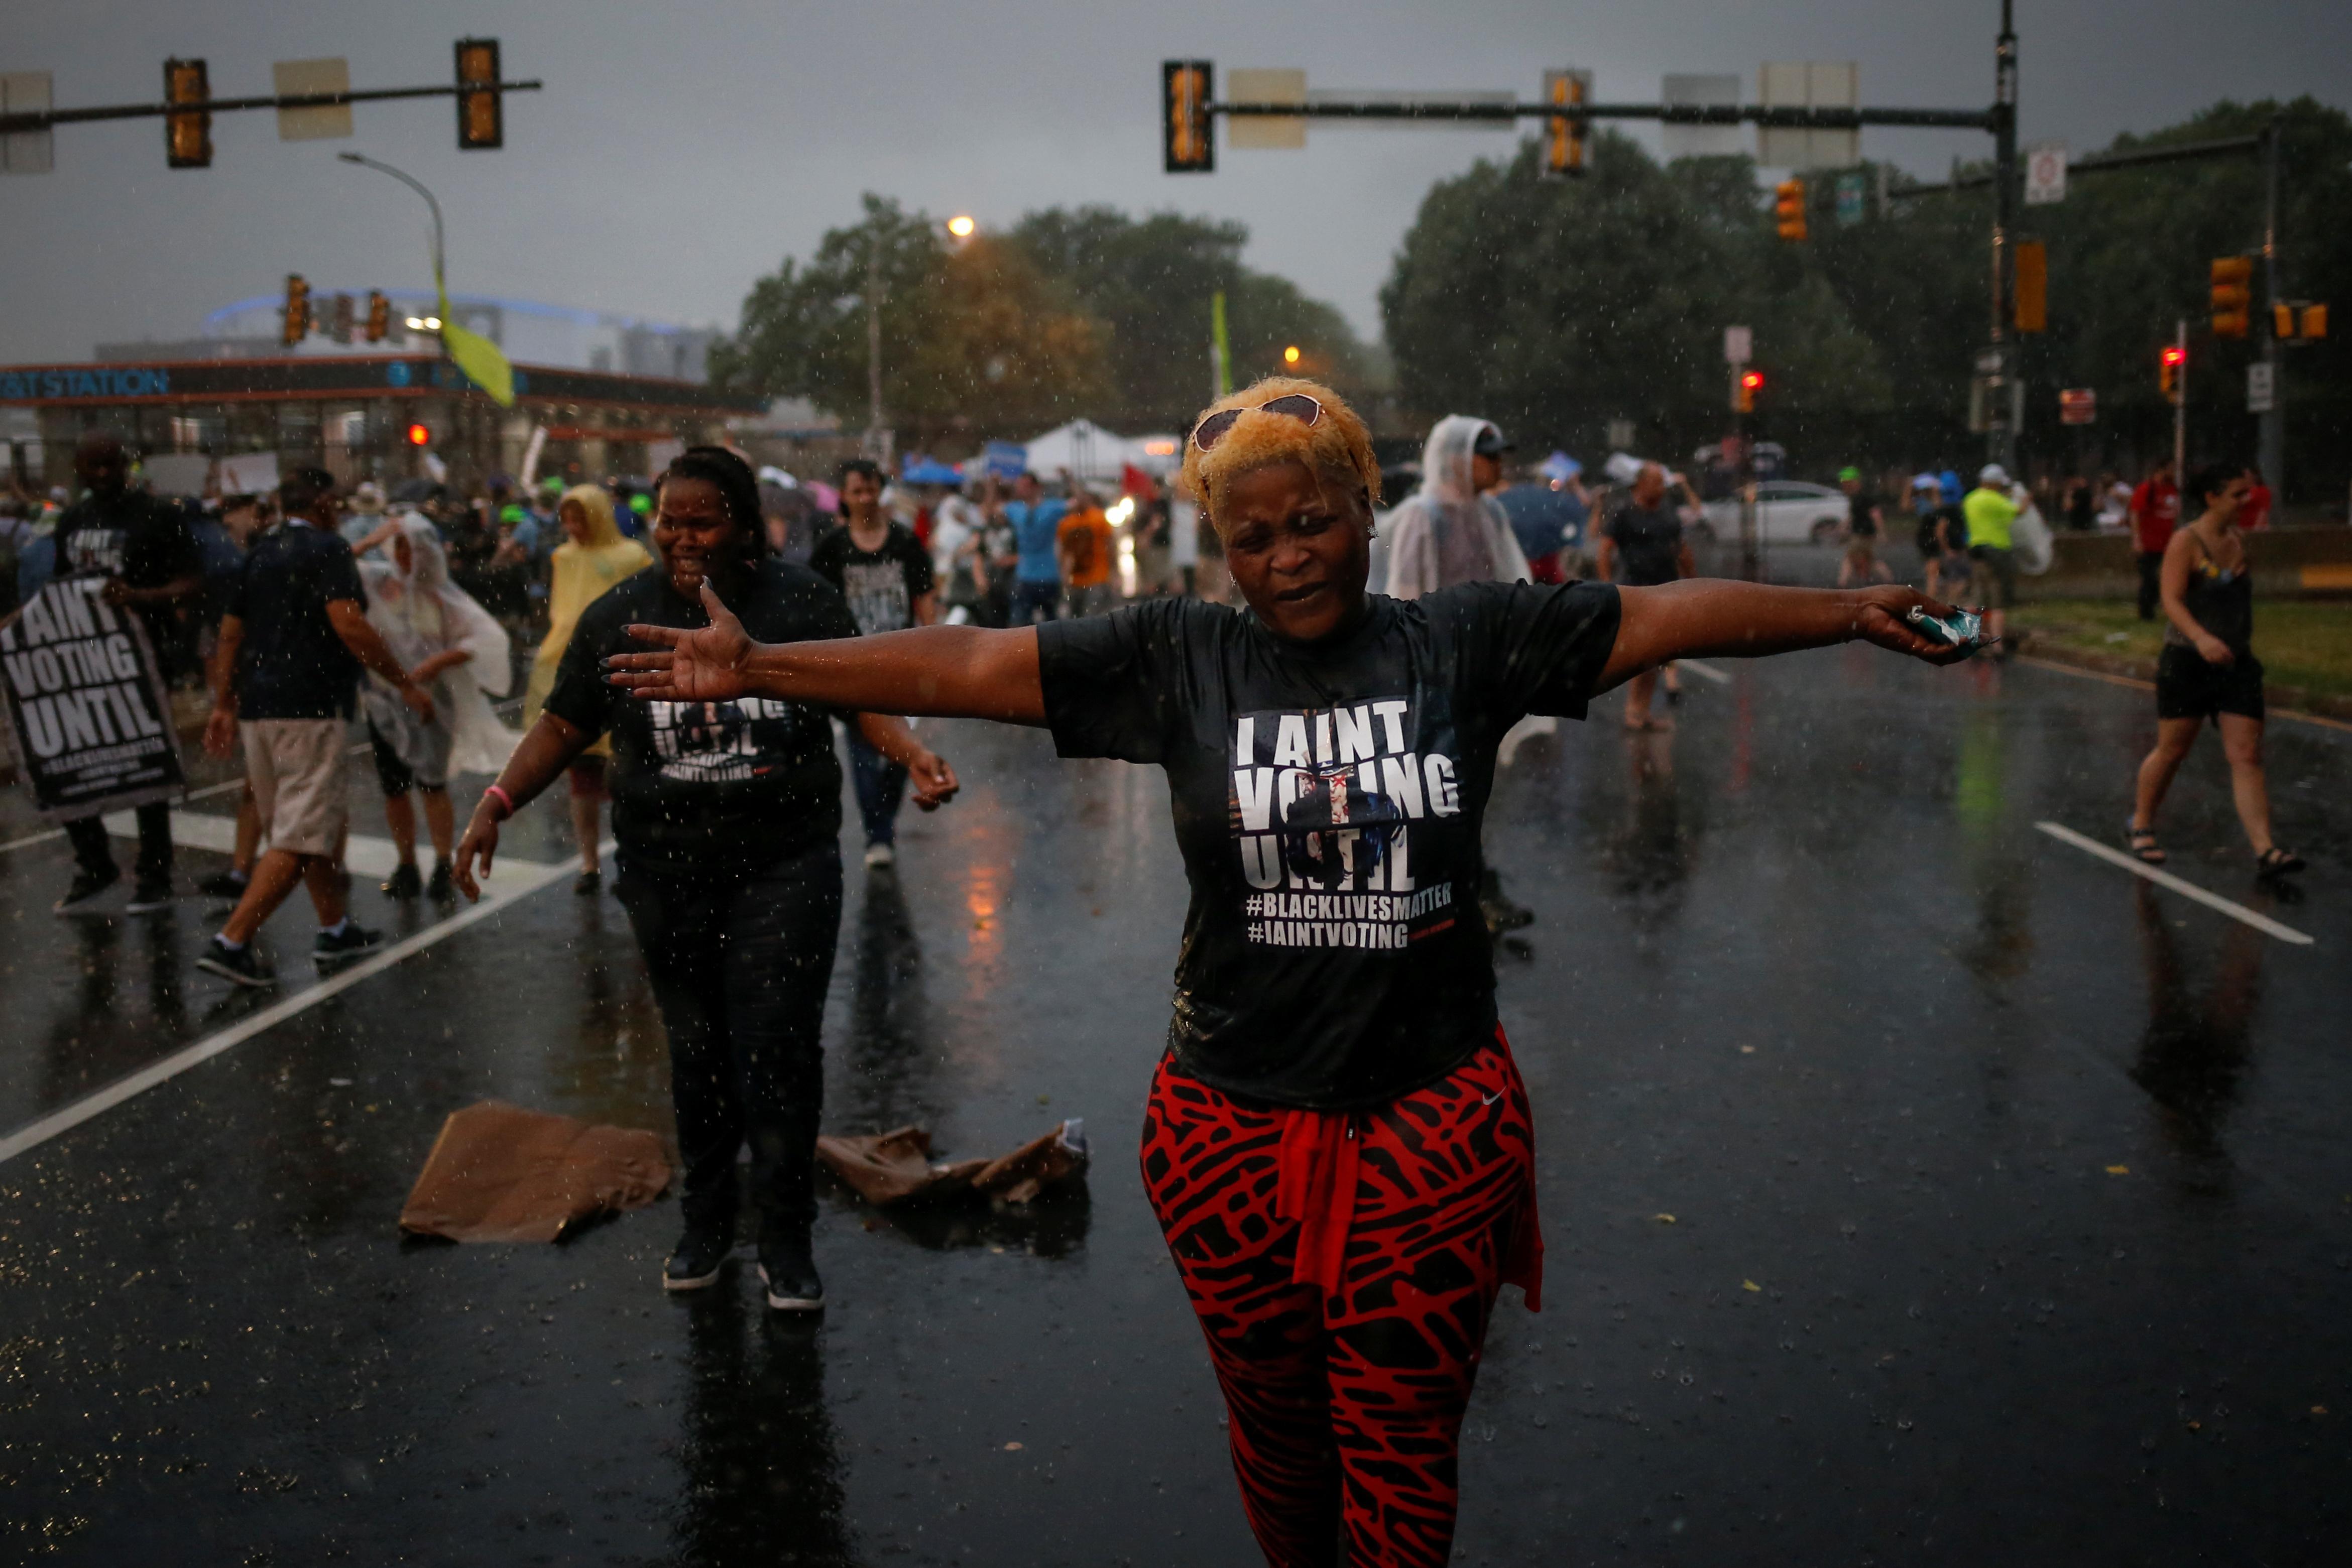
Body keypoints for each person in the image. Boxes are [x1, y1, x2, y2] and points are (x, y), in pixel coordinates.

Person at [600, 376, 1974, 1567]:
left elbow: (1663, 615)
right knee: (1276, 1441)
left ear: (1361, 511)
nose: (1286, 559)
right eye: (1249, 539)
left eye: (1310, 522)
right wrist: (766, 664)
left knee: (1399, 1452)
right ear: (1220, 552)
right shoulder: (1176, 658)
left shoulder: (1462, 639)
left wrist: (1845, 608)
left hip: (1429, 1131)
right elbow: (964, 657)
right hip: (1228, 1135)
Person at [451, 445, 957, 1311]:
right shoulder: (621, 616)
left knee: (778, 1050)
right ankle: (708, 1219)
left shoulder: (800, 602)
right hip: (665, 871)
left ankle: (786, 1234)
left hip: (786, 865)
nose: (681, 537)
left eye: (702, 520)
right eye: (669, 520)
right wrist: (497, 799)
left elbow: (859, 695)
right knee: (698, 1053)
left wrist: (909, 751)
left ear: (744, 526)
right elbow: (565, 723)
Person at [195, 466, 435, 988]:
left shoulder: (258, 553)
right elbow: (349, 623)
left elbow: (230, 634)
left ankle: (335, 928)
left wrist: (222, 704)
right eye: (335, 501)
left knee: (305, 825)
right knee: (303, 833)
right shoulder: (328, 551)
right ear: (323, 502)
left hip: (258, 708)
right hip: (308, 704)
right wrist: (403, 683)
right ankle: (231, 942)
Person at [50, 433, 203, 916]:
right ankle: (95, 863)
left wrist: (138, 597)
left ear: (125, 466)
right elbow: (59, 586)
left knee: (144, 764)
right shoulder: (74, 519)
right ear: (78, 469)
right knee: (71, 760)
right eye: (91, 467)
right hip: (82, 660)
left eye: (109, 466)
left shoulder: (158, 515)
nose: (100, 475)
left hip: (141, 657)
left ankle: (154, 874)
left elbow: (193, 582)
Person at [2128, 462, 2303, 879]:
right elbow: (2170, 599)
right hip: (2187, 662)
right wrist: (2201, 638)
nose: (2247, 500)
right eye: (2238, 494)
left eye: (2249, 493)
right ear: (2212, 497)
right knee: (2173, 750)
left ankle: (2265, 848)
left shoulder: (2238, 540)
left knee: (2246, 755)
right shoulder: (2186, 541)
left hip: (2237, 663)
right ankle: (2141, 823)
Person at [351, 513, 521, 900]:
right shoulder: (376, 581)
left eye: (414, 548)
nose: (406, 556)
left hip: (430, 704)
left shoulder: (443, 597)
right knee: (393, 787)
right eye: (401, 547)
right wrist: (367, 540)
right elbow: (330, 567)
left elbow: (487, 638)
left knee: (431, 783)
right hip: (384, 701)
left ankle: (443, 863)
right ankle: (406, 863)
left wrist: (437, 662)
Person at [523, 484, 653, 895]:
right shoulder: (562, 557)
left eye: (579, 517)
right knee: (582, 778)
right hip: (578, 673)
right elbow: (564, 614)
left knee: (627, 774)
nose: (571, 526)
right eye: (567, 517)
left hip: (623, 672)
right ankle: (590, 862)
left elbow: (647, 607)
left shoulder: (632, 557)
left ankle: (635, 857)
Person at [811, 458, 938, 869]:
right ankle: (878, 835)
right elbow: (819, 607)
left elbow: (924, 596)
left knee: (902, 750)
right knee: (864, 754)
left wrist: (934, 647)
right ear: (845, 497)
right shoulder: (832, 549)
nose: (865, 498)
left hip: (902, 664)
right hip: (855, 668)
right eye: (857, 491)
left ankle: (883, 818)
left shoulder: (903, 542)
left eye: (871, 490)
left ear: (881, 492)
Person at [1380, 418, 1529, 599]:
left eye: (1499, 456)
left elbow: (1509, 573)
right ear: (1455, 459)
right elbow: (1406, 588)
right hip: (1439, 623)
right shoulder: (1424, 514)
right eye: (1489, 456)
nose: (1498, 464)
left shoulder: (1491, 510)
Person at [1596, 462, 1696, 730]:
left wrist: (1694, 583)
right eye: (1656, 482)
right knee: (1642, 655)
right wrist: (1607, 586)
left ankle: (1642, 712)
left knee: (1659, 655)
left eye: (1662, 483)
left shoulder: (1667, 513)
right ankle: (1633, 711)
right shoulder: (1625, 513)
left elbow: (1681, 548)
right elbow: (1605, 550)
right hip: (1635, 592)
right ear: (1641, 484)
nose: (1661, 488)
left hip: (1667, 591)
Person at [1963, 464, 2022, 653]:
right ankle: (1997, 645)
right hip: (1995, 552)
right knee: (1997, 601)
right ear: (1995, 483)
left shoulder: (1970, 499)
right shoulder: (1996, 499)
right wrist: (2026, 500)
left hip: (1976, 551)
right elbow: (2018, 511)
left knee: (1978, 596)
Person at [1004, 471, 1066, 625]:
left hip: (1047, 575)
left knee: (1052, 624)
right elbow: (988, 511)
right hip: (1025, 575)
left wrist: (1068, 480)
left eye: (1025, 486)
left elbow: (1079, 504)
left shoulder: (1051, 507)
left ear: (1036, 487)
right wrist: (991, 486)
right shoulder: (1016, 509)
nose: (1021, 490)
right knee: (1019, 624)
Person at [2129, 460, 2180, 620]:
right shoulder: (2147, 489)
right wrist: (2137, 539)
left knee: (2165, 577)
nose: (2174, 474)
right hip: (2149, 543)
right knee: (2149, 578)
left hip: (2166, 543)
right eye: (2171, 470)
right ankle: (2146, 612)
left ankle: (2159, 605)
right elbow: (2135, 513)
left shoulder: (2173, 490)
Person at [1055, 486, 1118, 617]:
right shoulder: (1066, 523)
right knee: (1076, 617)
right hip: (1076, 579)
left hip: (1097, 577)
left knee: (1091, 616)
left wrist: (1114, 572)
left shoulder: (1098, 518)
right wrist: (1064, 574)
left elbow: (1111, 545)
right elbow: (1064, 551)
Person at [1910, 473, 1967, 603]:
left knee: (1936, 573)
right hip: (1932, 542)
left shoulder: (1932, 506)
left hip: (1927, 540)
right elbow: (1940, 530)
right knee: (1935, 574)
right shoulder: (1936, 507)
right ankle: (1933, 601)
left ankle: (1935, 599)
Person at [1837, 465, 1892, 586]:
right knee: (1871, 562)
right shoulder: (1856, 498)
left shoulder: (1864, 497)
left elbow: (1876, 515)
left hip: (1862, 535)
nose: (1844, 486)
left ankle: (1842, 585)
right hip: (1864, 535)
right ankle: (1889, 582)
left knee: (1850, 560)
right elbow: (1854, 516)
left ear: (1854, 482)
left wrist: (1881, 533)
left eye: (1847, 483)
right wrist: (1844, 526)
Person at [2238, 463, 2273, 532]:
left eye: (2246, 474)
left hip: (2256, 529)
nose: (2245, 477)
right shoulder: (2243, 492)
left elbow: (2263, 511)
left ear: (2254, 475)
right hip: (2243, 529)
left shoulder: (2262, 491)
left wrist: (2257, 529)